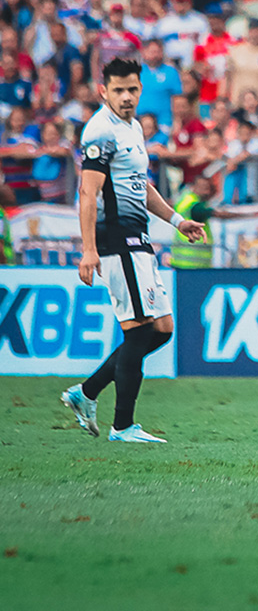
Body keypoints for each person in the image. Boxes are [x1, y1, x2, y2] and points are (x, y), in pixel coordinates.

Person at [60, 57, 206, 444]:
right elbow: (87, 193)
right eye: (119, 90)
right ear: (103, 91)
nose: (127, 97)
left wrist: (177, 221)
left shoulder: (134, 127)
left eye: (133, 90)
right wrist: (89, 250)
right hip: (115, 241)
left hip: (137, 238)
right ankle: (122, 426)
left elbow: (141, 185)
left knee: (161, 330)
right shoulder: (100, 131)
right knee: (140, 333)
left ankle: (86, 392)